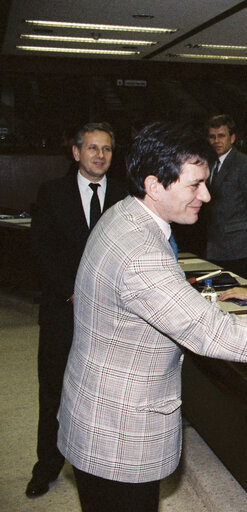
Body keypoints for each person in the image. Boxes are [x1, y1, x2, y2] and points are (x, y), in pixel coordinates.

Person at [57, 122, 247, 512]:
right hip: (119, 430)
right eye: (194, 184)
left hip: (100, 410)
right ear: (154, 185)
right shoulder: (140, 251)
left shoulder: (124, 214)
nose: (206, 194)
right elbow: (212, 334)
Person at [26, 122, 128, 498]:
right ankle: (46, 466)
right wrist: (72, 292)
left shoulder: (123, 195)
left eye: (106, 149)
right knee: (54, 389)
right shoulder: (52, 193)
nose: (100, 155)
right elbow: (41, 250)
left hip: (112, 317)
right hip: (62, 311)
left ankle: (103, 463)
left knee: (107, 391)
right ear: (76, 152)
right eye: (92, 148)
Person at [204, 114, 247, 281]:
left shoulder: (246, 165)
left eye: (221, 136)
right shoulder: (207, 163)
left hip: (241, 248)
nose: (216, 141)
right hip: (213, 245)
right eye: (212, 137)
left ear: (232, 138)